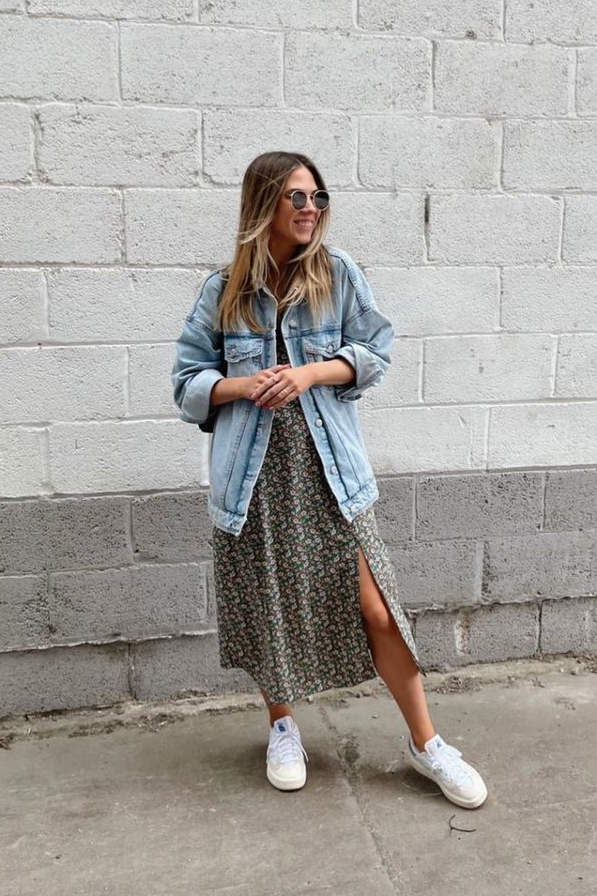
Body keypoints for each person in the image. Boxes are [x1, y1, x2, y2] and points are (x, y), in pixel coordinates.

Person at [171, 151, 487, 808]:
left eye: (316, 196)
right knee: (271, 609)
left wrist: (312, 373)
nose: (309, 208)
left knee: (377, 610)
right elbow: (187, 383)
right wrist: (243, 384)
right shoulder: (222, 289)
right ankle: (281, 725)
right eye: (295, 197)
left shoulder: (337, 276)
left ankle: (426, 743)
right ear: (264, 205)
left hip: (331, 472)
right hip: (253, 477)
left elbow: (375, 353)